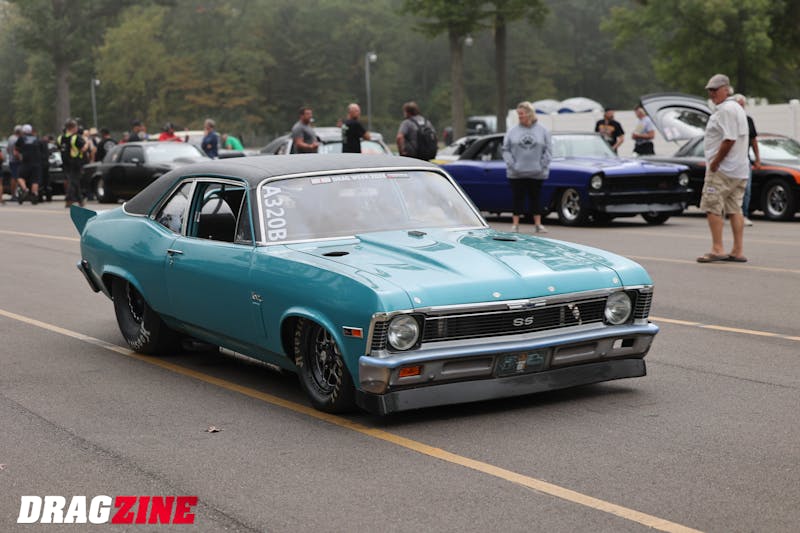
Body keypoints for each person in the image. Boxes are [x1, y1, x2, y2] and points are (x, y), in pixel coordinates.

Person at [696, 74, 749, 263]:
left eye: (715, 90)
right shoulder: (737, 108)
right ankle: (737, 250)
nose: (712, 94)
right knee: (735, 209)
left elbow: (729, 139)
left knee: (712, 206)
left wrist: (715, 162)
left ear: (726, 89)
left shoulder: (726, 109)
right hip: (739, 169)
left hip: (723, 170)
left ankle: (717, 248)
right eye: (710, 90)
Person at [502, 101, 552, 233]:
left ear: (530, 114)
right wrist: (512, 165)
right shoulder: (512, 131)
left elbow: (548, 150)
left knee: (536, 198)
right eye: (518, 114)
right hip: (516, 173)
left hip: (537, 172)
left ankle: (538, 224)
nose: (519, 117)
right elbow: (505, 149)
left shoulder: (543, 130)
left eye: (522, 114)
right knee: (517, 198)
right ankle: (515, 225)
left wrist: (542, 165)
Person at [733, 94, 760, 227]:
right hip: (731, 160)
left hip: (745, 159)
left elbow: (753, 141)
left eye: (742, 105)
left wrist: (757, 158)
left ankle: (744, 215)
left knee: (746, 189)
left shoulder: (748, 120)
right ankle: (730, 214)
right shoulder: (730, 120)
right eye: (739, 105)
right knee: (730, 189)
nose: (741, 107)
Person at [58, 119, 88, 208]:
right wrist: (87, 143)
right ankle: (69, 199)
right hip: (75, 162)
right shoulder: (75, 137)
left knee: (74, 181)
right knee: (73, 181)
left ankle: (80, 200)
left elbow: (60, 149)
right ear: (73, 128)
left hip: (65, 162)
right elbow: (83, 149)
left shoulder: (60, 138)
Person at [14, 124, 42, 204]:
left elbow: (15, 151)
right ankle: (34, 194)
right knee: (35, 180)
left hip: (25, 162)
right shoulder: (36, 139)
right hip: (36, 162)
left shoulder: (21, 139)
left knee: (20, 177)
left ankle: (25, 189)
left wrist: (19, 157)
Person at [6, 125, 22, 202]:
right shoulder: (17, 139)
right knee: (16, 178)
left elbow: (7, 149)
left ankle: (13, 194)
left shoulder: (10, 138)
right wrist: (20, 158)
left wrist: (10, 155)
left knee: (14, 177)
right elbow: (16, 152)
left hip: (11, 160)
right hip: (16, 161)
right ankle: (15, 195)